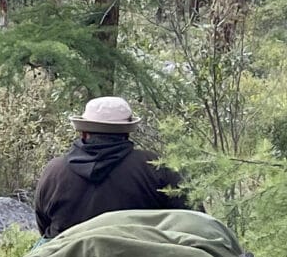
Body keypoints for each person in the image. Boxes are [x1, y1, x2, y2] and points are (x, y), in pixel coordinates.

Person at [34, 96, 190, 240]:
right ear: (127, 133)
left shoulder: (54, 171)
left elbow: (44, 226)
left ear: (83, 133)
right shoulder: (156, 166)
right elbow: (190, 219)